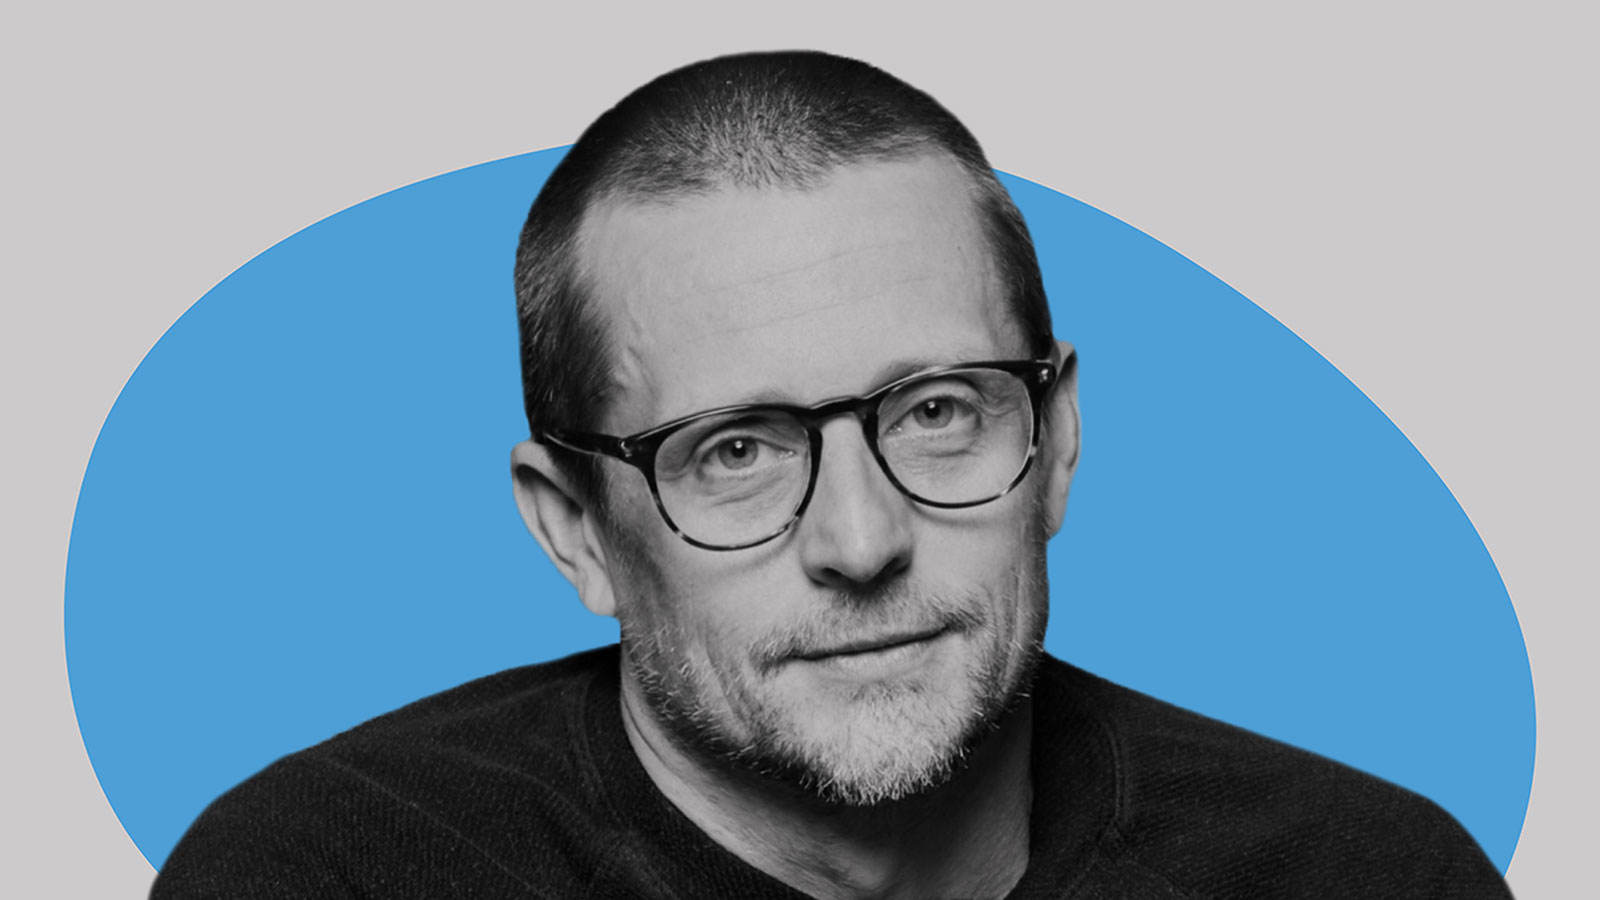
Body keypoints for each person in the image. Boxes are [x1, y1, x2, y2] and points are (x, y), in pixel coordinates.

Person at [152, 50, 1512, 899]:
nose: (862, 542)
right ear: (577, 532)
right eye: (735, 451)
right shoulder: (326, 876)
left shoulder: (1368, 878)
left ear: (1056, 443)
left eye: (937, 412)